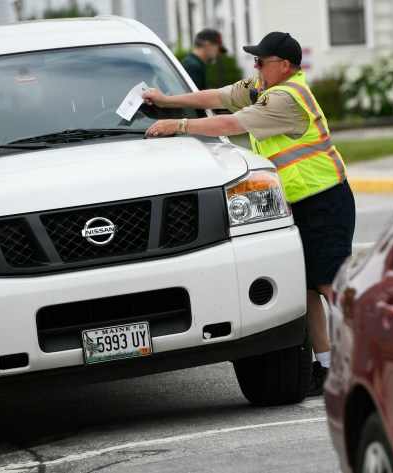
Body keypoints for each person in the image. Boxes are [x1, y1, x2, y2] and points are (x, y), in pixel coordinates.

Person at [142, 31, 355, 397]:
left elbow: (231, 123)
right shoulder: (263, 85)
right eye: (254, 60)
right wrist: (165, 100)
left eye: (262, 61)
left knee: (330, 287)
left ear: (284, 65)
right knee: (305, 289)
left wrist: (178, 125)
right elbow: (220, 97)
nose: (255, 66)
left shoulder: (286, 98)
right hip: (297, 202)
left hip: (324, 199)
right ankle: (328, 367)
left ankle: (368, 363)